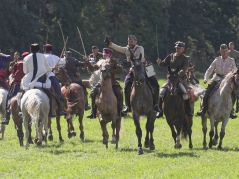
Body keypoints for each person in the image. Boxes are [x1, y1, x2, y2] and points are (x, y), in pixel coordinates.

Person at [104, 35, 161, 114]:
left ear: (135, 42)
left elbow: (139, 60)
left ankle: (156, 105)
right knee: (126, 86)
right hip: (134, 70)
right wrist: (109, 44)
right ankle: (128, 106)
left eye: (131, 41)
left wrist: (129, 63)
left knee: (156, 84)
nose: (130, 43)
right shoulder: (126, 49)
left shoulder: (140, 48)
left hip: (146, 67)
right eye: (128, 41)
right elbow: (117, 47)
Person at [197, 44, 238, 118]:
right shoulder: (216, 60)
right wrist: (206, 78)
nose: (224, 52)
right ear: (220, 51)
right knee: (207, 90)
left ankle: (231, 111)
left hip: (227, 81)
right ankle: (203, 108)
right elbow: (209, 70)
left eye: (226, 51)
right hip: (217, 79)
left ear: (228, 51)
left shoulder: (231, 61)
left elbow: (234, 70)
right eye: (223, 51)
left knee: (234, 93)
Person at [83, 48, 124, 118]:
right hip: (101, 82)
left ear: (110, 55)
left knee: (119, 92)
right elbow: (92, 69)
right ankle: (93, 112)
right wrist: (87, 62)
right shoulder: (100, 61)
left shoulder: (113, 61)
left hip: (112, 82)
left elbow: (120, 70)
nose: (105, 57)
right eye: (104, 55)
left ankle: (120, 111)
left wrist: (109, 71)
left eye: (106, 55)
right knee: (93, 93)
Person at [156, 41, 194, 117]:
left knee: (187, 93)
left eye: (179, 48)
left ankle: (188, 110)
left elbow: (184, 69)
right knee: (162, 92)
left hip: (181, 79)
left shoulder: (185, 59)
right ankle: (160, 110)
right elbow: (164, 64)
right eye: (176, 48)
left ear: (183, 49)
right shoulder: (171, 56)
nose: (178, 49)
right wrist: (160, 63)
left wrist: (177, 75)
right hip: (171, 79)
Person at [21, 43, 58, 117]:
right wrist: (53, 69)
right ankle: (51, 111)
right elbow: (47, 68)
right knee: (51, 93)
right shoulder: (42, 56)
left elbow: (25, 71)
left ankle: (20, 110)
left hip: (30, 81)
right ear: (39, 50)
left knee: (21, 93)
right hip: (42, 79)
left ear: (30, 50)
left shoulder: (26, 58)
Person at [1, 52, 29, 125]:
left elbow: (14, 74)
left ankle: (7, 117)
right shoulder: (32, 64)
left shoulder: (18, 64)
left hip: (18, 84)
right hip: (28, 85)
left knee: (9, 98)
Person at [43, 44, 67, 116]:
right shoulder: (54, 57)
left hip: (39, 77)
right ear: (51, 51)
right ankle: (60, 109)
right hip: (50, 76)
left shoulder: (41, 57)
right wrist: (64, 57)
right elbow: (64, 62)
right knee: (58, 92)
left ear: (44, 51)